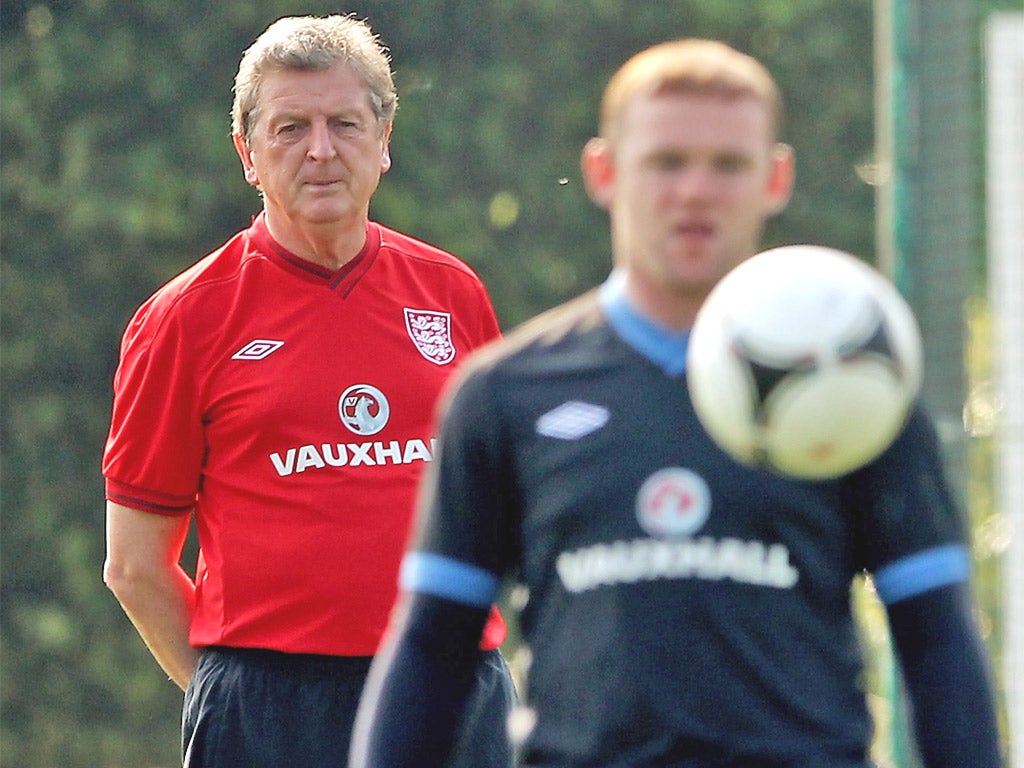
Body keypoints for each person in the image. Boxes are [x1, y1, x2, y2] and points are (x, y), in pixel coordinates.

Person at [350, 39, 1003, 768]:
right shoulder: (505, 394)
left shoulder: (857, 385)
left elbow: (937, 636)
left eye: (727, 165)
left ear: (775, 178)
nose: (696, 190)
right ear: (604, 170)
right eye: (666, 162)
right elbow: (433, 646)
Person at [101, 14, 515, 768]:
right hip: (266, 705)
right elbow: (134, 563)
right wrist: (226, 692)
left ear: (384, 140)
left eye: (344, 124)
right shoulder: (185, 319)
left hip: (452, 687)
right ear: (248, 154)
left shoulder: (453, 294)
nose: (321, 151)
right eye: (290, 127)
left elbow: (502, 505)